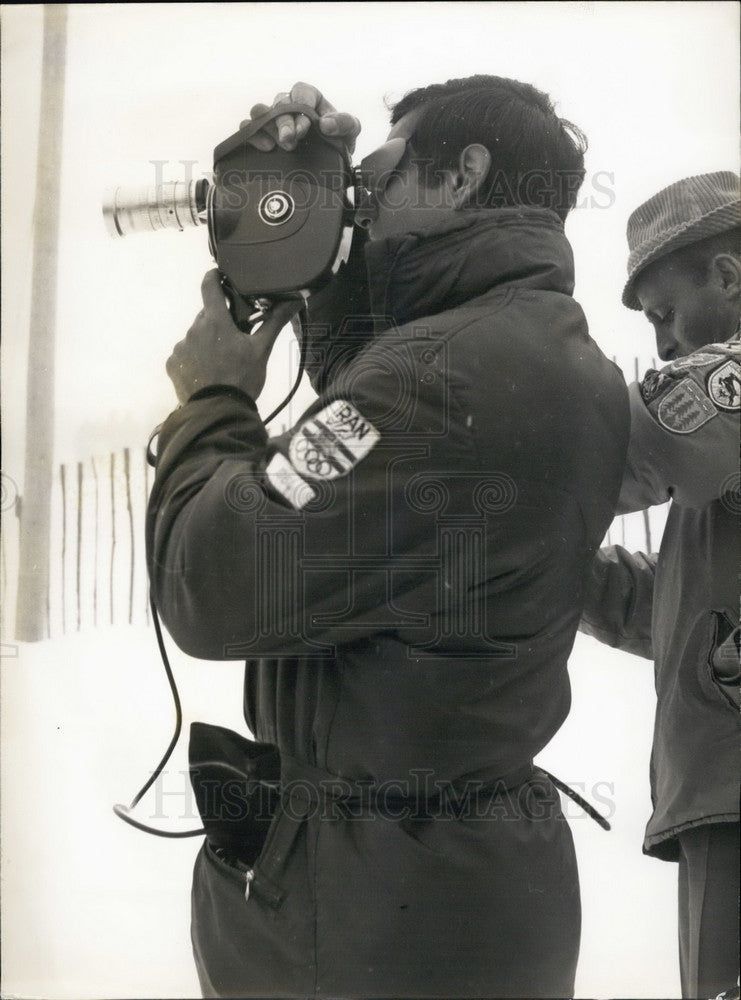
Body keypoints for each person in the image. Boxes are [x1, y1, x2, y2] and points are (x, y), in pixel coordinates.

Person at [146, 77, 629, 998]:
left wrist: (214, 403)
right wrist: (325, 272)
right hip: (456, 874)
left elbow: (210, 585)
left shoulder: (428, 383)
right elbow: (376, 445)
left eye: (373, 183)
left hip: (372, 912)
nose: (357, 211)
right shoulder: (545, 352)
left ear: (462, 177)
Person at [580, 172, 741, 1000]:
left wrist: (502, 423)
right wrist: (567, 574)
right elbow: (688, 617)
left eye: (663, 316)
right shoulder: (717, 459)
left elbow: (622, 449)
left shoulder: (728, 395)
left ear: (727, 275)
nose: (664, 345)